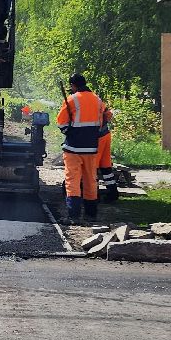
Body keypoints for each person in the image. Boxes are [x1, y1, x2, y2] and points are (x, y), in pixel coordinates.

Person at [56, 72, 107, 225]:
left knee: (72, 181)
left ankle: (74, 216)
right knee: (91, 180)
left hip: (73, 148)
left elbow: (61, 122)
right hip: (91, 148)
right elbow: (104, 119)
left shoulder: (72, 99)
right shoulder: (98, 100)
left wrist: (69, 132)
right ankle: (91, 214)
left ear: (73, 85)